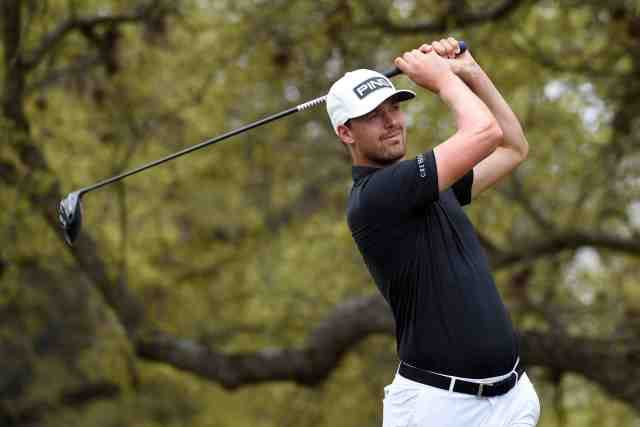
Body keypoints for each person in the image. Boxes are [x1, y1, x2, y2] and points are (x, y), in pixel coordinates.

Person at [325, 37, 540, 426]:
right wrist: (443, 79)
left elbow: (512, 147)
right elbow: (484, 132)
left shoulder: (428, 185)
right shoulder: (376, 196)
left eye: (394, 108)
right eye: (373, 116)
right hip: (439, 407)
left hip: (510, 400)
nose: (391, 121)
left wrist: (471, 72)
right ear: (346, 133)